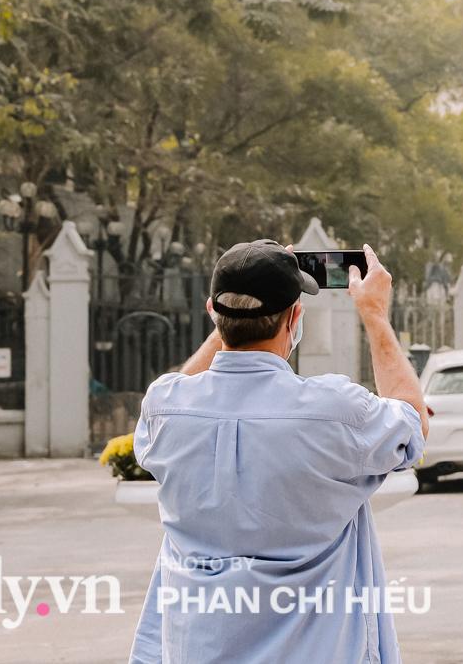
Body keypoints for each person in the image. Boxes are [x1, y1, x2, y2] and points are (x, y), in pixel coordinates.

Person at [128, 241, 429, 663]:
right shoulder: (336, 411)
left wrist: (233, 317)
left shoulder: (165, 408)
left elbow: (183, 391)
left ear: (212, 310)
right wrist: (375, 314)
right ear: (294, 317)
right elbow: (412, 422)